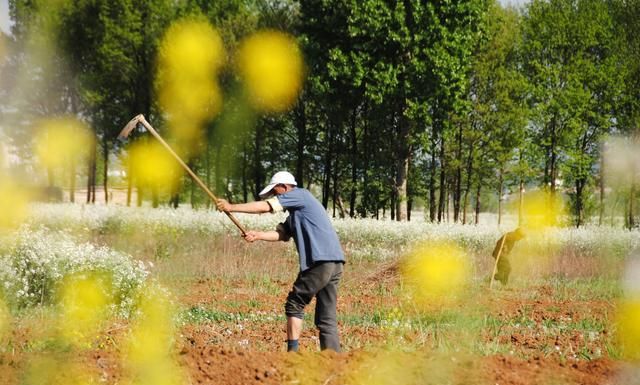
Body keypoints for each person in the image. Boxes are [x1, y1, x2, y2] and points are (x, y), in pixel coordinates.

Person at [216, 171, 345, 352]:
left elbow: (266, 207)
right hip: (335, 262)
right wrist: (258, 235)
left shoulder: (300, 195)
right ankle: (334, 360)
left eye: (276, 192)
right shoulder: (296, 214)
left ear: (285, 187)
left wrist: (231, 207)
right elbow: (282, 234)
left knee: (295, 302)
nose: (275, 196)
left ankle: (292, 353)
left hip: (320, 261)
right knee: (326, 318)